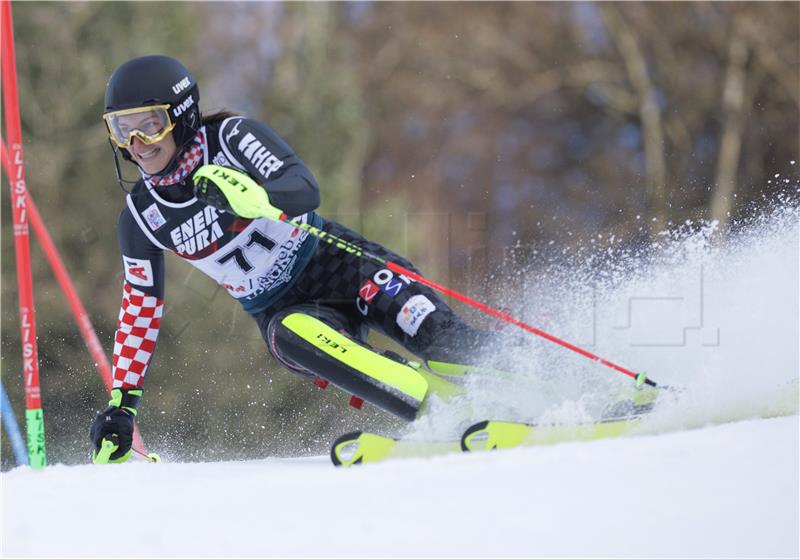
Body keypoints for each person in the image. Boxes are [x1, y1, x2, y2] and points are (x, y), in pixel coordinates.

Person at [89, 55, 515, 463]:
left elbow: (303, 188)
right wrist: (123, 406)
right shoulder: (142, 217)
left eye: (150, 125)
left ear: (181, 116)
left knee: (445, 344)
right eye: (121, 130)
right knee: (294, 335)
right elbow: (140, 311)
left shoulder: (232, 139)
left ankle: (544, 386)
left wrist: (258, 199)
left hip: (340, 264)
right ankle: (445, 415)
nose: (136, 144)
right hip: (281, 310)